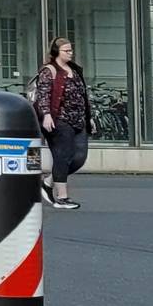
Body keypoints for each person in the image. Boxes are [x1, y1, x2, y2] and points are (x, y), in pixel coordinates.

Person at [31, 37, 90, 210]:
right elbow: (44, 94)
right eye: (67, 50)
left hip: (78, 120)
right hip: (59, 120)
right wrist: (47, 115)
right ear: (57, 52)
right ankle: (62, 197)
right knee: (62, 156)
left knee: (79, 158)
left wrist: (89, 116)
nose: (70, 53)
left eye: (71, 50)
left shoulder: (74, 70)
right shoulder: (49, 70)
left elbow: (83, 95)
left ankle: (48, 183)